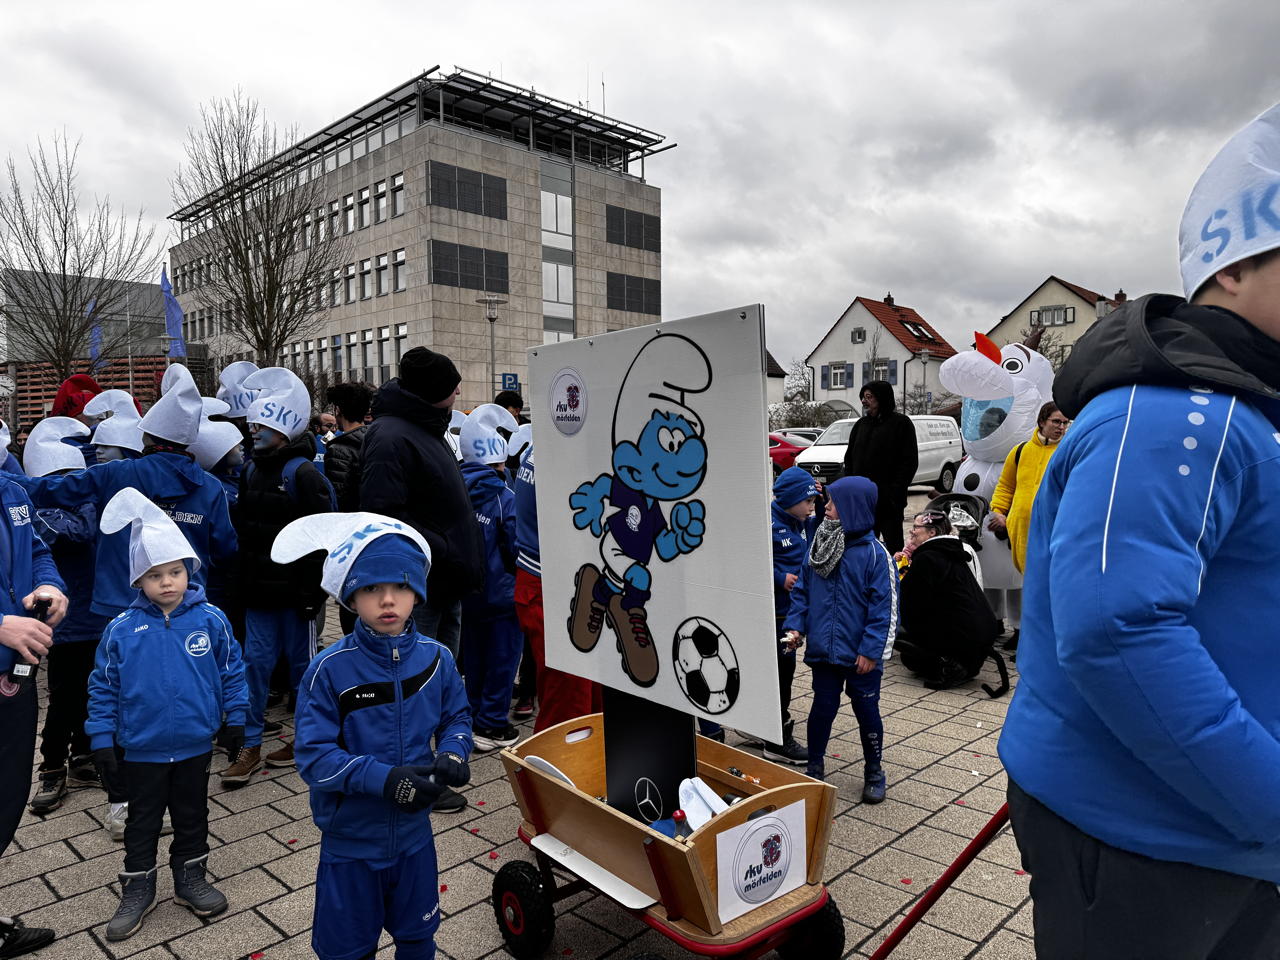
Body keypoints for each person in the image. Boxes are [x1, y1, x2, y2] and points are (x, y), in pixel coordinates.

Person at [999, 105, 1280, 959]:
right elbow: (1119, 631)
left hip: (1220, 836)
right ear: (1231, 267)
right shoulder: (1172, 415)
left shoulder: (1250, 410)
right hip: (1147, 839)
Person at [283, 514, 472, 960]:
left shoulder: (437, 659)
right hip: (351, 845)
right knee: (346, 951)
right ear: (350, 596)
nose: (388, 600)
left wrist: (453, 751)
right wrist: (382, 779)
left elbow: (457, 717)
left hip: (414, 840)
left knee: (418, 938)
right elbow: (313, 756)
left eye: (401, 587)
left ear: (418, 593)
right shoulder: (329, 669)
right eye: (371, 588)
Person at [87, 488, 247, 942]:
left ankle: (190, 876)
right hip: (141, 748)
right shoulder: (121, 630)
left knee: (193, 814)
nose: (167, 582)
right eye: (155, 575)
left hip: (195, 744)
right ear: (139, 581)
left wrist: (237, 719)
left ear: (189, 570)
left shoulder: (211, 620)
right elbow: (102, 686)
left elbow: (232, 670)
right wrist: (101, 738)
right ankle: (138, 886)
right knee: (141, 821)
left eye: (175, 571)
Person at [222, 367, 332, 784]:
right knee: (253, 667)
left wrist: (312, 595)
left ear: (283, 428)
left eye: (260, 426)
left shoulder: (304, 474)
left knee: (304, 669)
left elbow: (322, 540)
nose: (252, 433)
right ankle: (249, 744)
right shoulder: (251, 471)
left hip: (296, 597)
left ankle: (309, 738)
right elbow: (243, 537)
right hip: (259, 596)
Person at [360, 347, 483, 664]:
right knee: (418, 675)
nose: (458, 390)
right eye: (451, 384)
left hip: (444, 581)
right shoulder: (391, 436)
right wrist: (443, 547)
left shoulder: (424, 427)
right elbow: (384, 514)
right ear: (432, 390)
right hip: (420, 584)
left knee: (442, 675)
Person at [783, 476, 896, 802]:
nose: (826, 507)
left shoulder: (876, 556)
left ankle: (874, 769)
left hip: (861, 656)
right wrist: (796, 626)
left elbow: (884, 611)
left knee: (866, 710)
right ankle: (815, 768)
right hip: (824, 651)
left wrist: (871, 651)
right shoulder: (820, 544)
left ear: (854, 509)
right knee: (822, 707)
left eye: (833, 503)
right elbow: (803, 591)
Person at [22, 419, 108, 816]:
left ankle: (84, 756)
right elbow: (70, 533)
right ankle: (52, 766)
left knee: (96, 694)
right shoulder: (32, 512)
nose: (68, 484)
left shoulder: (84, 499)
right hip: (63, 624)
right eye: (59, 478)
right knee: (63, 701)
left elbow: (84, 528)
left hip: (97, 614)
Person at [0, 473, 67, 957]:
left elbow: (37, 548)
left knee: (7, 798)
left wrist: (49, 584)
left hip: (15, 678)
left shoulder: (11, 489)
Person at [513, 438, 601, 734]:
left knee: (581, 701)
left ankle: (585, 771)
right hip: (557, 586)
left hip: (552, 582)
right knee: (569, 710)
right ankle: (557, 776)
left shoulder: (547, 443)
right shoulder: (569, 449)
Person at [457, 405, 523, 752]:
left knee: (474, 657)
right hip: (502, 596)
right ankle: (492, 724)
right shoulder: (504, 497)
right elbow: (515, 547)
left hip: (466, 593)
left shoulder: (453, 489)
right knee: (502, 660)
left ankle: (470, 716)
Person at [986, 401, 1068, 652]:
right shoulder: (1020, 451)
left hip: (1054, 531)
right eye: (1056, 421)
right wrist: (999, 512)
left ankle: (1042, 639)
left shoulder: (1067, 452)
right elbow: (1006, 486)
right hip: (1020, 530)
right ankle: (1023, 633)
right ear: (1042, 421)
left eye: (1065, 423)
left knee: (1047, 587)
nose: (1061, 427)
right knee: (1025, 585)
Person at [895, 510, 999, 689]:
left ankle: (951, 665)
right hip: (981, 635)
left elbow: (909, 602)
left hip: (964, 637)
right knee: (911, 656)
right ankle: (963, 664)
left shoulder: (928, 557)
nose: (911, 532)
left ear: (932, 533)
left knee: (900, 634)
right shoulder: (953, 552)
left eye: (916, 528)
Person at [757, 466, 819, 765]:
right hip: (776, 615)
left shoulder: (805, 521)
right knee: (781, 674)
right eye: (807, 501)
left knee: (784, 673)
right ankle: (776, 738)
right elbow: (748, 562)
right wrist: (779, 578)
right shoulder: (766, 523)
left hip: (794, 613)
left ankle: (764, 725)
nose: (812, 507)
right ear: (790, 500)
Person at [840, 380, 917, 553]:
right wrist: (851, 487)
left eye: (869, 397)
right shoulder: (860, 425)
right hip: (862, 502)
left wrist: (894, 492)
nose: (864, 401)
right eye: (863, 397)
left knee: (893, 548)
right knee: (863, 548)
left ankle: (896, 579)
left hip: (889, 503)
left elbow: (909, 462)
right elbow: (850, 458)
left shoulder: (901, 424)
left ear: (882, 398)